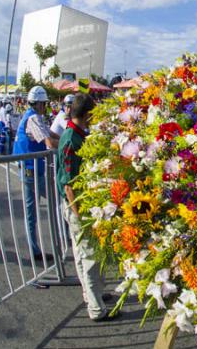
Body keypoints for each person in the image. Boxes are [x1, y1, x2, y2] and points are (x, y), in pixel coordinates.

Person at [56, 94, 112, 321]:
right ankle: (96, 308)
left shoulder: (78, 134)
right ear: (86, 114)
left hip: (80, 204)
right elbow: (69, 185)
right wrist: (81, 217)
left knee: (84, 254)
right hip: (76, 205)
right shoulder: (71, 140)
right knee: (88, 256)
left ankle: (93, 295)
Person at [13, 85, 58, 262]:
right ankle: (35, 249)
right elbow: (49, 142)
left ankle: (38, 247)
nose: (45, 106)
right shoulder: (32, 119)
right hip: (31, 169)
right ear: (39, 104)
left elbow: (51, 134)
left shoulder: (34, 117)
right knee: (37, 209)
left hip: (33, 168)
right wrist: (68, 144)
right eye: (44, 104)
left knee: (50, 202)